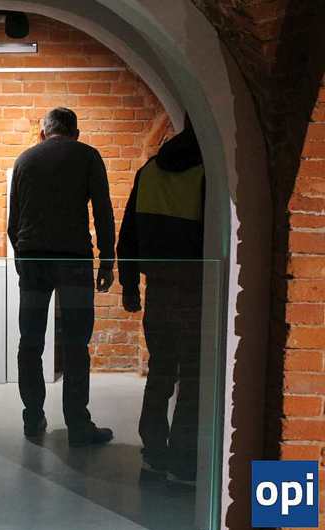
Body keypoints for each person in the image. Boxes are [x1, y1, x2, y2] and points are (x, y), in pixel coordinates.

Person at [8, 107, 116, 446]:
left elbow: (14, 221)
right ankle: (78, 424)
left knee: (30, 341)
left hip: (34, 258)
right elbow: (103, 211)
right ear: (76, 133)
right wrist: (107, 260)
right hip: (74, 260)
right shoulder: (88, 156)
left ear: (43, 132)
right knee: (75, 342)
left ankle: (32, 417)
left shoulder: (25, 160)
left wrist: (22, 256)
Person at [116, 115, 205, 484]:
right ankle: (183, 458)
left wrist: (129, 286)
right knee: (194, 376)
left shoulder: (149, 172)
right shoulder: (206, 175)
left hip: (158, 289)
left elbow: (128, 236)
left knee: (161, 371)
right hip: (196, 289)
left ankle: (153, 450)